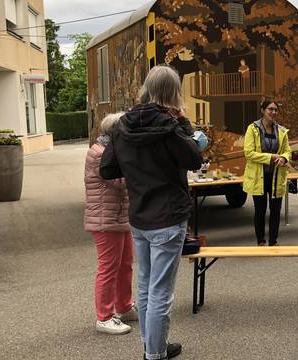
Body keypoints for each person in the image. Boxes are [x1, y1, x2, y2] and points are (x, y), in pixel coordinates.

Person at [100, 65, 203, 360]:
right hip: (168, 218)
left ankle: (152, 346)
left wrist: (135, 167)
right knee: (160, 292)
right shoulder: (171, 127)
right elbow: (194, 159)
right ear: (174, 92)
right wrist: (185, 126)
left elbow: (107, 168)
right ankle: (155, 355)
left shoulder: (122, 125)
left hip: (139, 217)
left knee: (145, 287)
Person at [85, 112, 137, 335]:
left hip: (118, 216)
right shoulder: (100, 153)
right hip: (105, 219)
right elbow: (118, 181)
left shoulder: (111, 150)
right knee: (108, 268)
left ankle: (124, 306)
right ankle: (104, 317)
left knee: (125, 264)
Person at [243, 100, 291, 246]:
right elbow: (249, 153)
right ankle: (261, 241)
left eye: (276, 110)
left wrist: (283, 158)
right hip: (259, 176)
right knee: (260, 210)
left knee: (276, 210)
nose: (273, 112)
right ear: (263, 110)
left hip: (276, 176)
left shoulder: (282, 131)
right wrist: (271, 157)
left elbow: (287, 151)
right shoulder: (253, 129)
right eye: (270, 109)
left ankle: (273, 240)